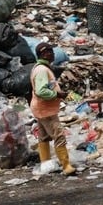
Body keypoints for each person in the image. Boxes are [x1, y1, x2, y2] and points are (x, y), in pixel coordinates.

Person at [30, 42, 76, 176]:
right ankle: (66, 166)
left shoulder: (40, 68)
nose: (53, 54)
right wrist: (57, 94)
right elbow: (41, 91)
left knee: (43, 137)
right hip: (46, 110)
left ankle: (46, 164)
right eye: (50, 51)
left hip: (40, 109)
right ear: (44, 54)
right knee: (59, 136)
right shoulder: (42, 70)